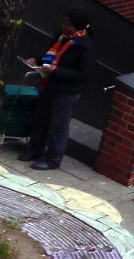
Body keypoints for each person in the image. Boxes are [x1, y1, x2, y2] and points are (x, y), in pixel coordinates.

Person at [19, 9, 95, 171]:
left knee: (58, 125)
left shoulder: (85, 47)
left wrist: (56, 71)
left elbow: (83, 75)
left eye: (68, 25)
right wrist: (36, 60)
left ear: (77, 26)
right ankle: (35, 149)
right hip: (50, 84)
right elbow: (51, 55)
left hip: (67, 91)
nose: (64, 27)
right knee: (41, 118)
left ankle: (52, 159)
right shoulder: (61, 36)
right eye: (63, 23)